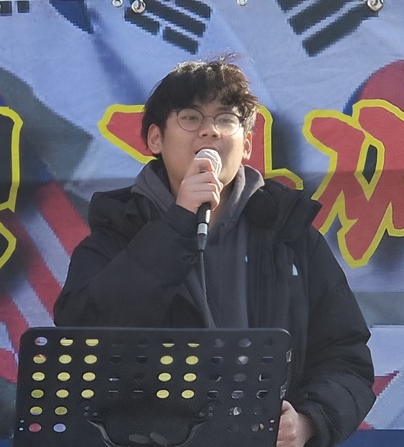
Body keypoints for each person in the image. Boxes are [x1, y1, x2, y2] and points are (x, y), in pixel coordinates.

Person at [53, 55, 375, 447]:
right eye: (190, 117)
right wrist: (179, 222)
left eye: (226, 119)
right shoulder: (117, 233)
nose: (210, 131)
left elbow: (346, 356)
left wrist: (309, 420)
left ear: (247, 143)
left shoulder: (289, 235)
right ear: (155, 139)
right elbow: (83, 336)